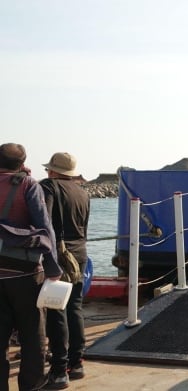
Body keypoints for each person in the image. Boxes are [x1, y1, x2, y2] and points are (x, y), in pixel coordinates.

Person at [0, 143, 62, 391]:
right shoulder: (28, 185)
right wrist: (53, 268)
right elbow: (45, 229)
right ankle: (32, 386)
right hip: (25, 273)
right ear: (23, 162)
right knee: (33, 337)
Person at [40, 152, 90, 389]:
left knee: (55, 310)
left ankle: (59, 370)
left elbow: (44, 220)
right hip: (80, 254)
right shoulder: (82, 192)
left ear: (52, 171)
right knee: (75, 307)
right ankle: (77, 362)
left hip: (59, 256)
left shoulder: (49, 187)